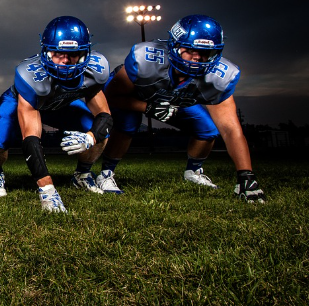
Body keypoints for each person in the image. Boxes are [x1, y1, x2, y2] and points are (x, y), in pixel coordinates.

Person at [95, 14, 265, 203]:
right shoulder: (146, 60)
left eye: (205, 53)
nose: (197, 58)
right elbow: (112, 97)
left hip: (176, 100)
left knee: (208, 130)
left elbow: (231, 129)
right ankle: (106, 173)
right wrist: (147, 107)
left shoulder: (220, 77)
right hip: (136, 96)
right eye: (191, 50)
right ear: (175, 45)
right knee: (128, 123)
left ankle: (193, 171)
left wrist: (246, 175)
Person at [0, 16, 112, 212]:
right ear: (46, 51)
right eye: (58, 53)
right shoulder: (30, 76)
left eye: (73, 54)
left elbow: (105, 116)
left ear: (85, 53)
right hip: (24, 101)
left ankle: (82, 175)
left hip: (61, 104)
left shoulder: (95, 69)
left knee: (100, 132)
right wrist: (47, 189)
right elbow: (31, 138)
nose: (65, 61)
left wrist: (91, 137)